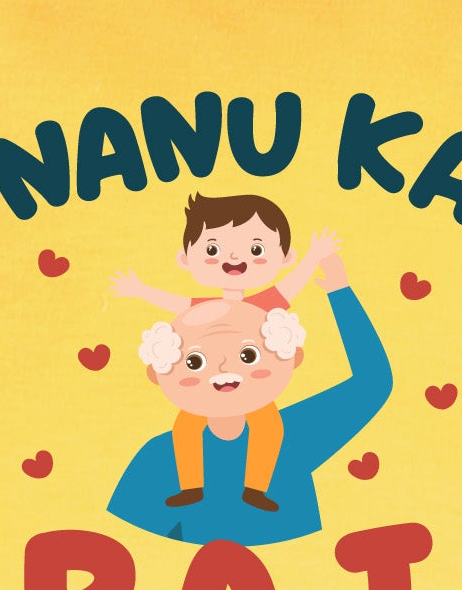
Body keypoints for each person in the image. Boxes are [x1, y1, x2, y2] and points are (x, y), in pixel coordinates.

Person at [110, 191, 340, 504]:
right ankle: (191, 487)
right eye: (213, 249)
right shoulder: (200, 311)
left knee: (270, 427)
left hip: (253, 391)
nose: (233, 258)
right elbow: (174, 302)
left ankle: (256, 488)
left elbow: (293, 284)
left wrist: (314, 256)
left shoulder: (262, 306)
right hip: (204, 391)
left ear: (285, 256)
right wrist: (139, 290)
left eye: (256, 249)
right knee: (185, 428)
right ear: (185, 258)